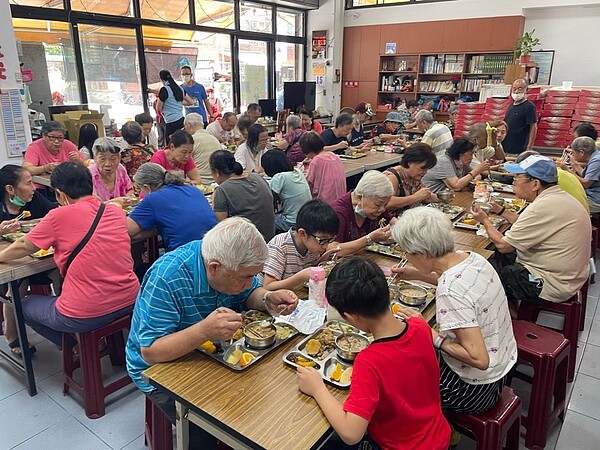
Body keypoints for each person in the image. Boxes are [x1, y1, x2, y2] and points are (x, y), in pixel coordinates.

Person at [126, 217, 298, 450]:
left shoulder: (231, 264)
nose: (250, 283)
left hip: (212, 350)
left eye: (253, 275)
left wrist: (266, 298)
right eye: (245, 277)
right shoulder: (167, 277)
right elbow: (150, 351)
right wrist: (204, 330)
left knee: (268, 402)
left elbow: (250, 294)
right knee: (206, 424)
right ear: (215, 267)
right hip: (161, 368)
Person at [297, 256, 451, 450]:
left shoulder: (370, 361)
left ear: (352, 317)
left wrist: (317, 389)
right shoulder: (419, 326)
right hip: (438, 437)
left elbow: (351, 433)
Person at [391, 207, 517, 414]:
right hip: (501, 369)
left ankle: (437, 432)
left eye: (405, 251)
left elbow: (479, 360)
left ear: (422, 253)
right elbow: (460, 287)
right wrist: (417, 275)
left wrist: (431, 334)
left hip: (473, 390)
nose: (405, 256)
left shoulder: (450, 290)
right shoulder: (472, 258)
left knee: (393, 380)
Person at [0, 162, 139, 348]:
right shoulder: (115, 211)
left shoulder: (59, 215)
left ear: (61, 194)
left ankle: (72, 347)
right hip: (131, 298)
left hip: (87, 311)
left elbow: (24, 245)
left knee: (22, 305)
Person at [470, 155, 590, 304]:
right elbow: (525, 225)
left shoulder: (543, 206)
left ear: (535, 184)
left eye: (517, 178)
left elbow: (504, 246)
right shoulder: (556, 196)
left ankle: (508, 315)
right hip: (570, 275)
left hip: (552, 283)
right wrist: (500, 210)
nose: (514, 182)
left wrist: (485, 220)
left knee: (481, 278)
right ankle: (509, 306)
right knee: (501, 260)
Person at [0, 164, 58, 356]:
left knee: (61, 273)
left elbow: (55, 213)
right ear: (10, 189)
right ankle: (11, 333)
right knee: (16, 285)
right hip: (10, 263)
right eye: (28, 183)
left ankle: (62, 324)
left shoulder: (35, 201)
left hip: (38, 258)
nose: (34, 188)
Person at [127, 162, 217, 251]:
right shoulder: (192, 189)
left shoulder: (153, 198)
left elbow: (125, 230)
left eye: (140, 189)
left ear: (147, 188)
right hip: (214, 246)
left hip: (186, 254)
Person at [262, 199, 339, 290]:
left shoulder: (311, 246)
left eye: (329, 240)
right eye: (322, 240)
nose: (325, 246)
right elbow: (267, 286)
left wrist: (322, 260)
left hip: (295, 294)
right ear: (302, 233)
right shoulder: (280, 246)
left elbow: (308, 269)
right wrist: (299, 278)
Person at [210, 150, 275, 241]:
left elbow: (221, 227)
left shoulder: (223, 190)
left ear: (216, 172)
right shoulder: (257, 177)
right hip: (270, 239)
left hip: (246, 246)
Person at [331, 170, 396, 256]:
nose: (383, 209)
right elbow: (332, 250)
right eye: (378, 204)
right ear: (359, 197)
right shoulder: (338, 212)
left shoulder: (377, 208)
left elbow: (393, 221)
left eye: (385, 205)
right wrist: (369, 238)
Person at [23, 121, 84, 193]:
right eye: (52, 137)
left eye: (60, 138)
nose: (56, 141)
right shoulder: (35, 147)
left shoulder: (68, 144)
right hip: (42, 189)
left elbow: (87, 164)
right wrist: (45, 168)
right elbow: (26, 168)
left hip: (68, 186)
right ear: (44, 136)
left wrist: (78, 160)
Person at [261, 149, 311, 232]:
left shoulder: (279, 177)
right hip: (306, 218)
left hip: (291, 222)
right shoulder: (297, 171)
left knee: (262, 219)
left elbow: (268, 199)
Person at [422, 137, 490, 193]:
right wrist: (477, 170)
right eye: (470, 154)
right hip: (431, 200)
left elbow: (478, 175)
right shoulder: (443, 162)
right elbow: (456, 186)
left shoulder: (460, 162)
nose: (472, 157)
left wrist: (470, 181)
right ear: (460, 153)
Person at [384, 143, 436, 213]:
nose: (425, 172)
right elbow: (386, 202)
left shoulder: (415, 177)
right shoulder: (392, 177)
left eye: (427, 169)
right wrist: (415, 197)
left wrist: (441, 197)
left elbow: (425, 196)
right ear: (410, 162)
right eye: (422, 168)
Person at [301, 132, 346, 205]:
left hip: (324, 204)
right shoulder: (334, 155)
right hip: (340, 201)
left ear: (308, 151)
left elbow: (308, 183)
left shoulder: (317, 160)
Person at [558, 136, 600, 213]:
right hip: (591, 194)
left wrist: (567, 170)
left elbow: (585, 184)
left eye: (573, 153)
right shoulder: (595, 156)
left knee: (562, 205)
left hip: (595, 199)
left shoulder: (597, 161)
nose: (572, 154)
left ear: (581, 153)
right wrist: (574, 164)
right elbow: (586, 175)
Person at [87, 137, 134, 202]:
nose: (108, 164)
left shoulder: (120, 169)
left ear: (119, 158)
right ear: (94, 158)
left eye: (113, 159)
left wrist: (128, 198)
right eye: (102, 159)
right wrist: (116, 202)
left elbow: (130, 190)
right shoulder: (88, 175)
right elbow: (92, 204)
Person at [183, 113, 221, 185]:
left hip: (198, 182)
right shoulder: (214, 139)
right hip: (216, 181)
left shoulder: (191, 141)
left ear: (188, 125)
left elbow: (184, 163)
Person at [502, 78, 538, 155]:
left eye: (520, 89)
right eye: (514, 89)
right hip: (505, 146)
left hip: (518, 149)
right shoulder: (511, 105)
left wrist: (529, 147)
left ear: (526, 90)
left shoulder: (529, 106)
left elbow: (533, 127)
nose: (516, 91)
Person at [154, 69, 193, 139]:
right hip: (181, 120)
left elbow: (158, 108)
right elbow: (191, 102)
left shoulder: (164, 90)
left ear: (161, 79)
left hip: (171, 122)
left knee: (171, 144)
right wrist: (179, 103)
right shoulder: (180, 88)